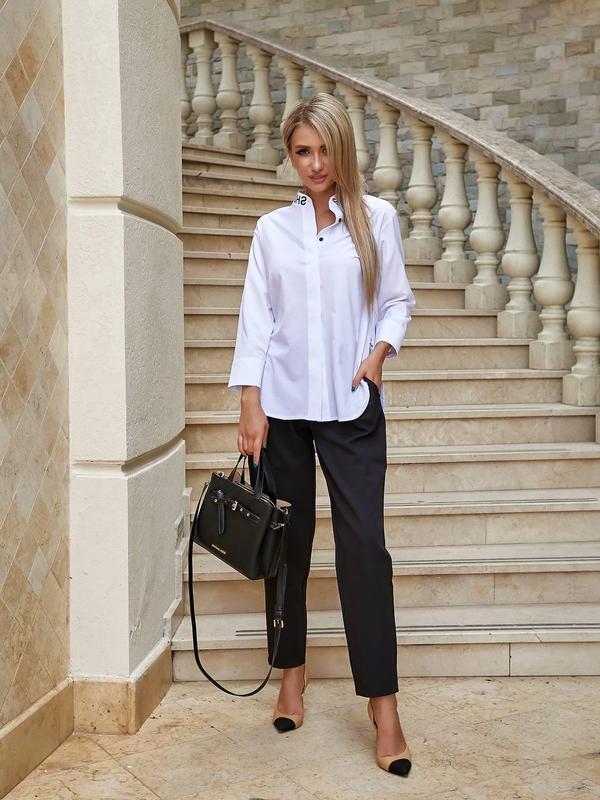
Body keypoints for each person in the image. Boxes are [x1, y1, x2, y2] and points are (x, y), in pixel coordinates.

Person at [227, 92, 416, 777]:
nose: (314, 163)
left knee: (364, 550)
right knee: (289, 546)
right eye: (302, 151)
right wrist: (250, 402)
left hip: (351, 403)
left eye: (324, 149)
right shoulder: (271, 230)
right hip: (282, 408)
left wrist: (379, 353)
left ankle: (383, 705)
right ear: (290, 155)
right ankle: (292, 674)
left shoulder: (376, 219)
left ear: (343, 150)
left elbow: (396, 301)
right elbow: (257, 318)